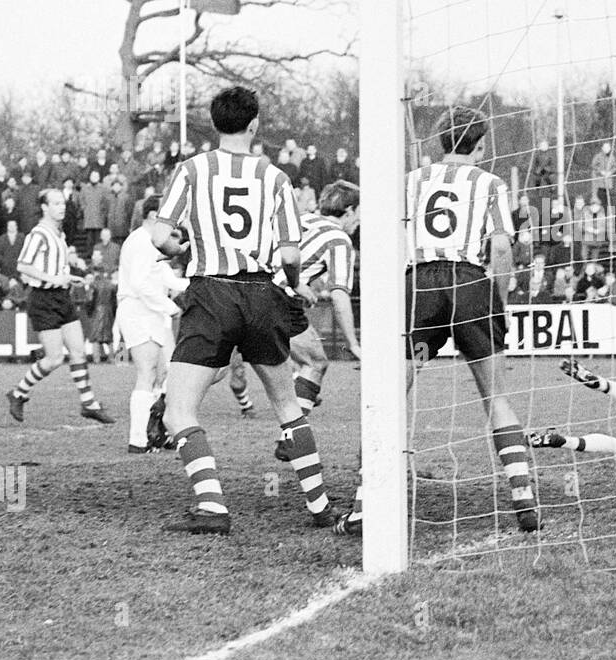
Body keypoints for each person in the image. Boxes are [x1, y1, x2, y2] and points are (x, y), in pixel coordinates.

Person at [149, 86, 332, 535]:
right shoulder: (277, 177)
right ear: (254, 125)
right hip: (261, 293)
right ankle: (321, 506)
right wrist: (297, 287)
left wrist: (180, 246)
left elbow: (160, 238)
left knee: (179, 411)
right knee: (287, 404)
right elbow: (290, 255)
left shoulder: (191, 170)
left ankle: (212, 508)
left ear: (214, 124)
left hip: (211, 293)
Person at [354, 106, 540, 536]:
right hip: (471, 286)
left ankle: (366, 503)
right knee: (495, 397)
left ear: (441, 142)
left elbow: (385, 239)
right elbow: (500, 249)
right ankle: (522, 497)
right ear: (480, 145)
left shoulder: (412, 181)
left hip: (420, 289)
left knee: (392, 392)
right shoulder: (490, 183)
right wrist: (499, 298)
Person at [5, 188, 115, 426]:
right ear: (44, 207)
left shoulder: (59, 234)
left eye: (63, 203)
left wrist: (69, 276)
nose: (62, 207)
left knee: (78, 350)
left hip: (62, 297)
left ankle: (89, 403)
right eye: (56, 203)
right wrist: (54, 279)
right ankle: (18, 393)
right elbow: (23, 266)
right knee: (54, 358)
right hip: (43, 299)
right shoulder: (39, 234)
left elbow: (56, 266)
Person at [280, 180, 362, 425]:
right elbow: (339, 295)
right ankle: (291, 439)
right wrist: (353, 343)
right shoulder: (338, 239)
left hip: (247, 291)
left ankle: (164, 405)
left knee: (217, 366)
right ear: (348, 211)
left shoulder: (300, 218)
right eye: (359, 213)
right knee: (315, 362)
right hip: (281, 300)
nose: (359, 221)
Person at [116, 195, 188, 453]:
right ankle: (138, 440)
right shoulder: (140, 241)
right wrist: (170, 307)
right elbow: (140, 284)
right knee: (147, 373)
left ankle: (156, 432)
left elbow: (162, 275)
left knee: (167, 372)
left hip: (152, 310)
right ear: (153, 216)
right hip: (138, 309)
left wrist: (193, 283)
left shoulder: (151, 242)